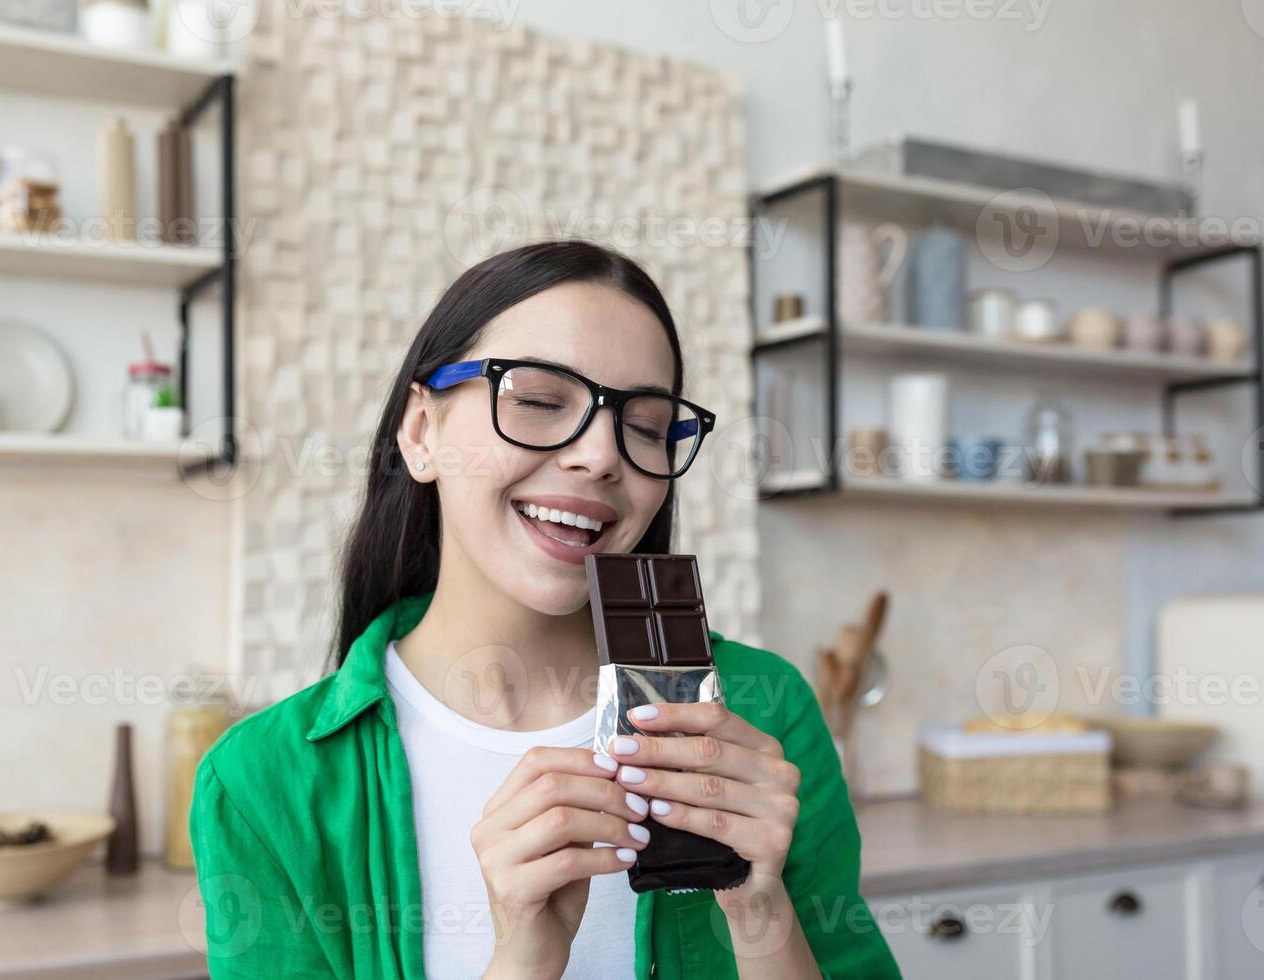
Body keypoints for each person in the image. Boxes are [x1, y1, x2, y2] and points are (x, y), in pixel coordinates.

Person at [190, 241, 899, 979]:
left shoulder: (767, 711)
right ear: (421, 433)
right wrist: (524, 958)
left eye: (648, 427)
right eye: (536, 401)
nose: (601, 455)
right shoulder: (260, 785)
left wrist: (762, 914)